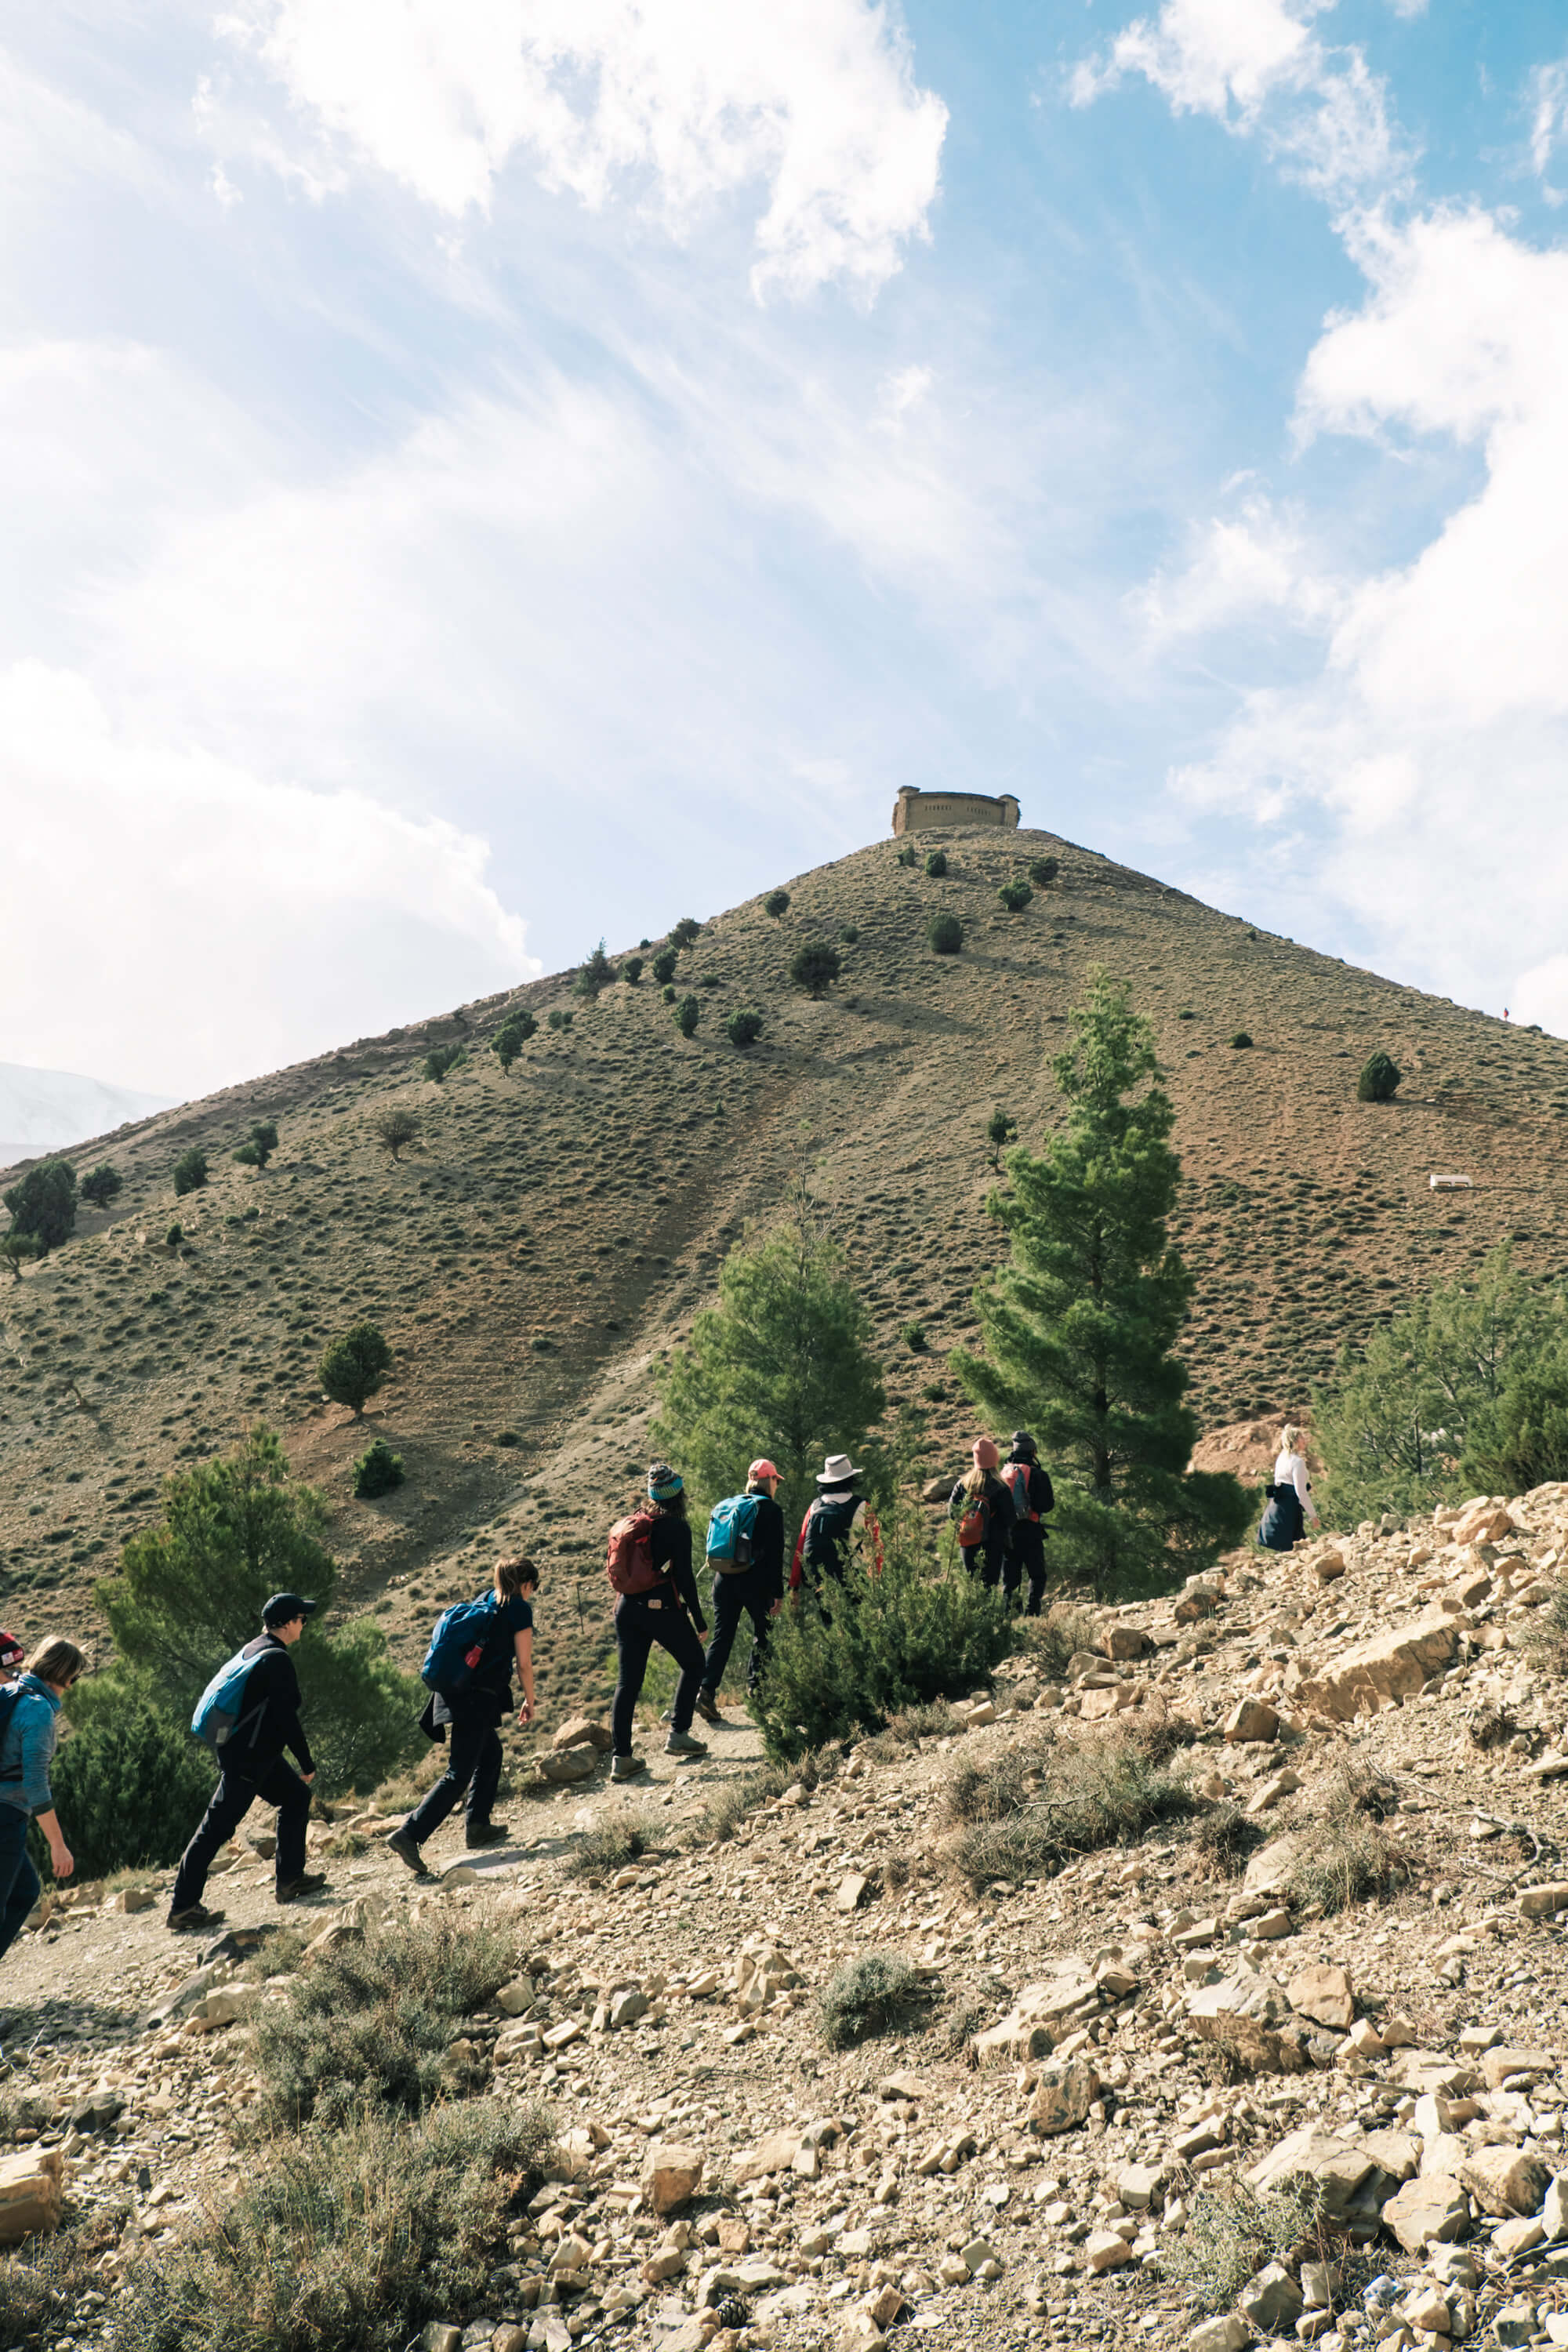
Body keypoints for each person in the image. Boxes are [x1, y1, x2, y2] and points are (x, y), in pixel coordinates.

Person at [168, 1593, 327, 1932]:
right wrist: (306, 1761)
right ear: (286, 1624)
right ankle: (183, 1907)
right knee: (216, 1828)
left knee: (296, 1798)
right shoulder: (276, 1660)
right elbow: (287, 1718)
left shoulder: (254, 1647)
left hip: (255, 1754)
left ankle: (290, 1880)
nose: (304, 1624)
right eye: (302, 1618)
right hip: (247, 1759)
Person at [387, 1556, 538, 1877]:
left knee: (491, 1753)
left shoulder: (485, 1599)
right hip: (476, 1698)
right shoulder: (518, 1608)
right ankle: (410, 1833)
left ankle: (478, 1825)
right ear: (526, 1585)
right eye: (532, 1589)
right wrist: (530, 1699)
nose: (531, 1595)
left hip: (453, 1691)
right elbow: (524, 1663)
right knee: (459, 1772)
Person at [611, 1466, 710, 1781]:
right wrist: (699, 1619)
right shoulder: (677, 1528)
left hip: (626, 1608)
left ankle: (621, 1758)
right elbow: (684, 1578)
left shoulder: (638, 1522)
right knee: (694, 1662)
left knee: (627, 1683)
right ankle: (679, 1733)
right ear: (678, 1495)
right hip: (660, 1607)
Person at [0, 1637, 84, 1969]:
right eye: (74, 1679)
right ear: (63, 1675)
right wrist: (58, 1845)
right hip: (4, 1818)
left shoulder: (12, 1691)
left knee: (24, 1893)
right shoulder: (38, 1711)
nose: (73, 1686)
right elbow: (35, 1784)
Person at [695, 1460, 786, 1726]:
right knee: (763, 1633)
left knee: (722, 1637)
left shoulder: (730, 1503)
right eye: (776, 1480)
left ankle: (705, 1692)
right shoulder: (770, 1509)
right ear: (769, 1481)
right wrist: (777, 1593)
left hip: (723, 1578)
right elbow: (775, 1554)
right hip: (754, 1581)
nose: (777, 1485)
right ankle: (758, 1694)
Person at [789, 1454, 883, 1596]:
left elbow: (800, 1546)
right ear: (851, 1479)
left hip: (821, 1582)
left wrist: (794, 1586)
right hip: (855, 1580)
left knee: (828, 1619)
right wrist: (876, 1580)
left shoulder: (815, 1507)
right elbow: (876, 1547)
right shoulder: (863, 1507)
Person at [1000, 1432, 1054, 1615]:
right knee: (1037, 1575)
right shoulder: (1038, 1474)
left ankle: (1011, 1618)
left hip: (1007, 1533)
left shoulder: (1003, 1472)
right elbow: (1046, 1506)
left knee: (1010, 1580)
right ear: (1033, 1452)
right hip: (1031, 1532)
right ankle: (1032, 1613)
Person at [949, 1438, 1015, 1588]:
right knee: (989, 1589)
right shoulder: (1000, 1487)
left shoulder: (963, 1484)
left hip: (968, 1543)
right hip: (993, 1545)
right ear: (994, 1459)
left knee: (973, 1589)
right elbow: (1010, 1519)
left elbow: (952, 1512)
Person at [1259, 1424, 1320, 1552]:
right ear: (1294, 1441)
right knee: (1296, 1548)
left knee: (1288, 1548)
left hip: (1277, 1507)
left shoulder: (1282, 1457)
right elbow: (1301, 1492)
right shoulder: (1297, 1462)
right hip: (1290, 1510)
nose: (1305, 1439)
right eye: (1301, 1437)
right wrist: (1313, 1515)